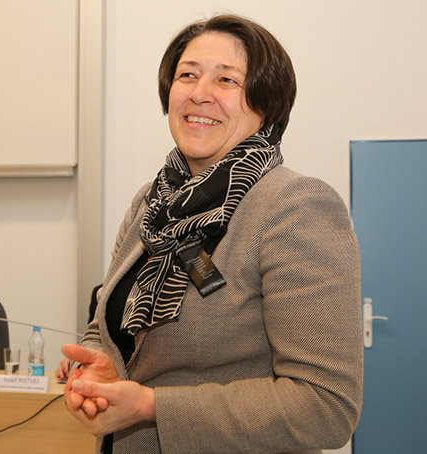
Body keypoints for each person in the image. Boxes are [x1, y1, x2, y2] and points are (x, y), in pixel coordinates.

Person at [59, 13, 363, 454]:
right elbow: (107, 324)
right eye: (188, 75)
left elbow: (325, 408)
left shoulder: (295, 206)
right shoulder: (152, 203)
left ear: (266, 104)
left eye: (227, 80)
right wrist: (97, 367)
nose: (199, 93)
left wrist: (151, 407)